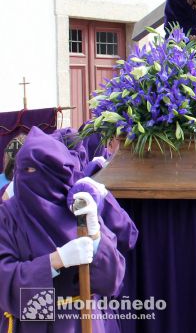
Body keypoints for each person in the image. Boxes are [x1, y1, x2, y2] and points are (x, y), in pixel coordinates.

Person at [0, 128, 126, 332]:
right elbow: (4, 280)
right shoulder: (7, 217)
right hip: (36, 324)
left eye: (38, 170)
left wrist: (97, 239)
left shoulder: (80, 208)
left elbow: (111, 282)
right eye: (26, 169)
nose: (28, 177)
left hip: (88, 322)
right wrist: (55, 261)